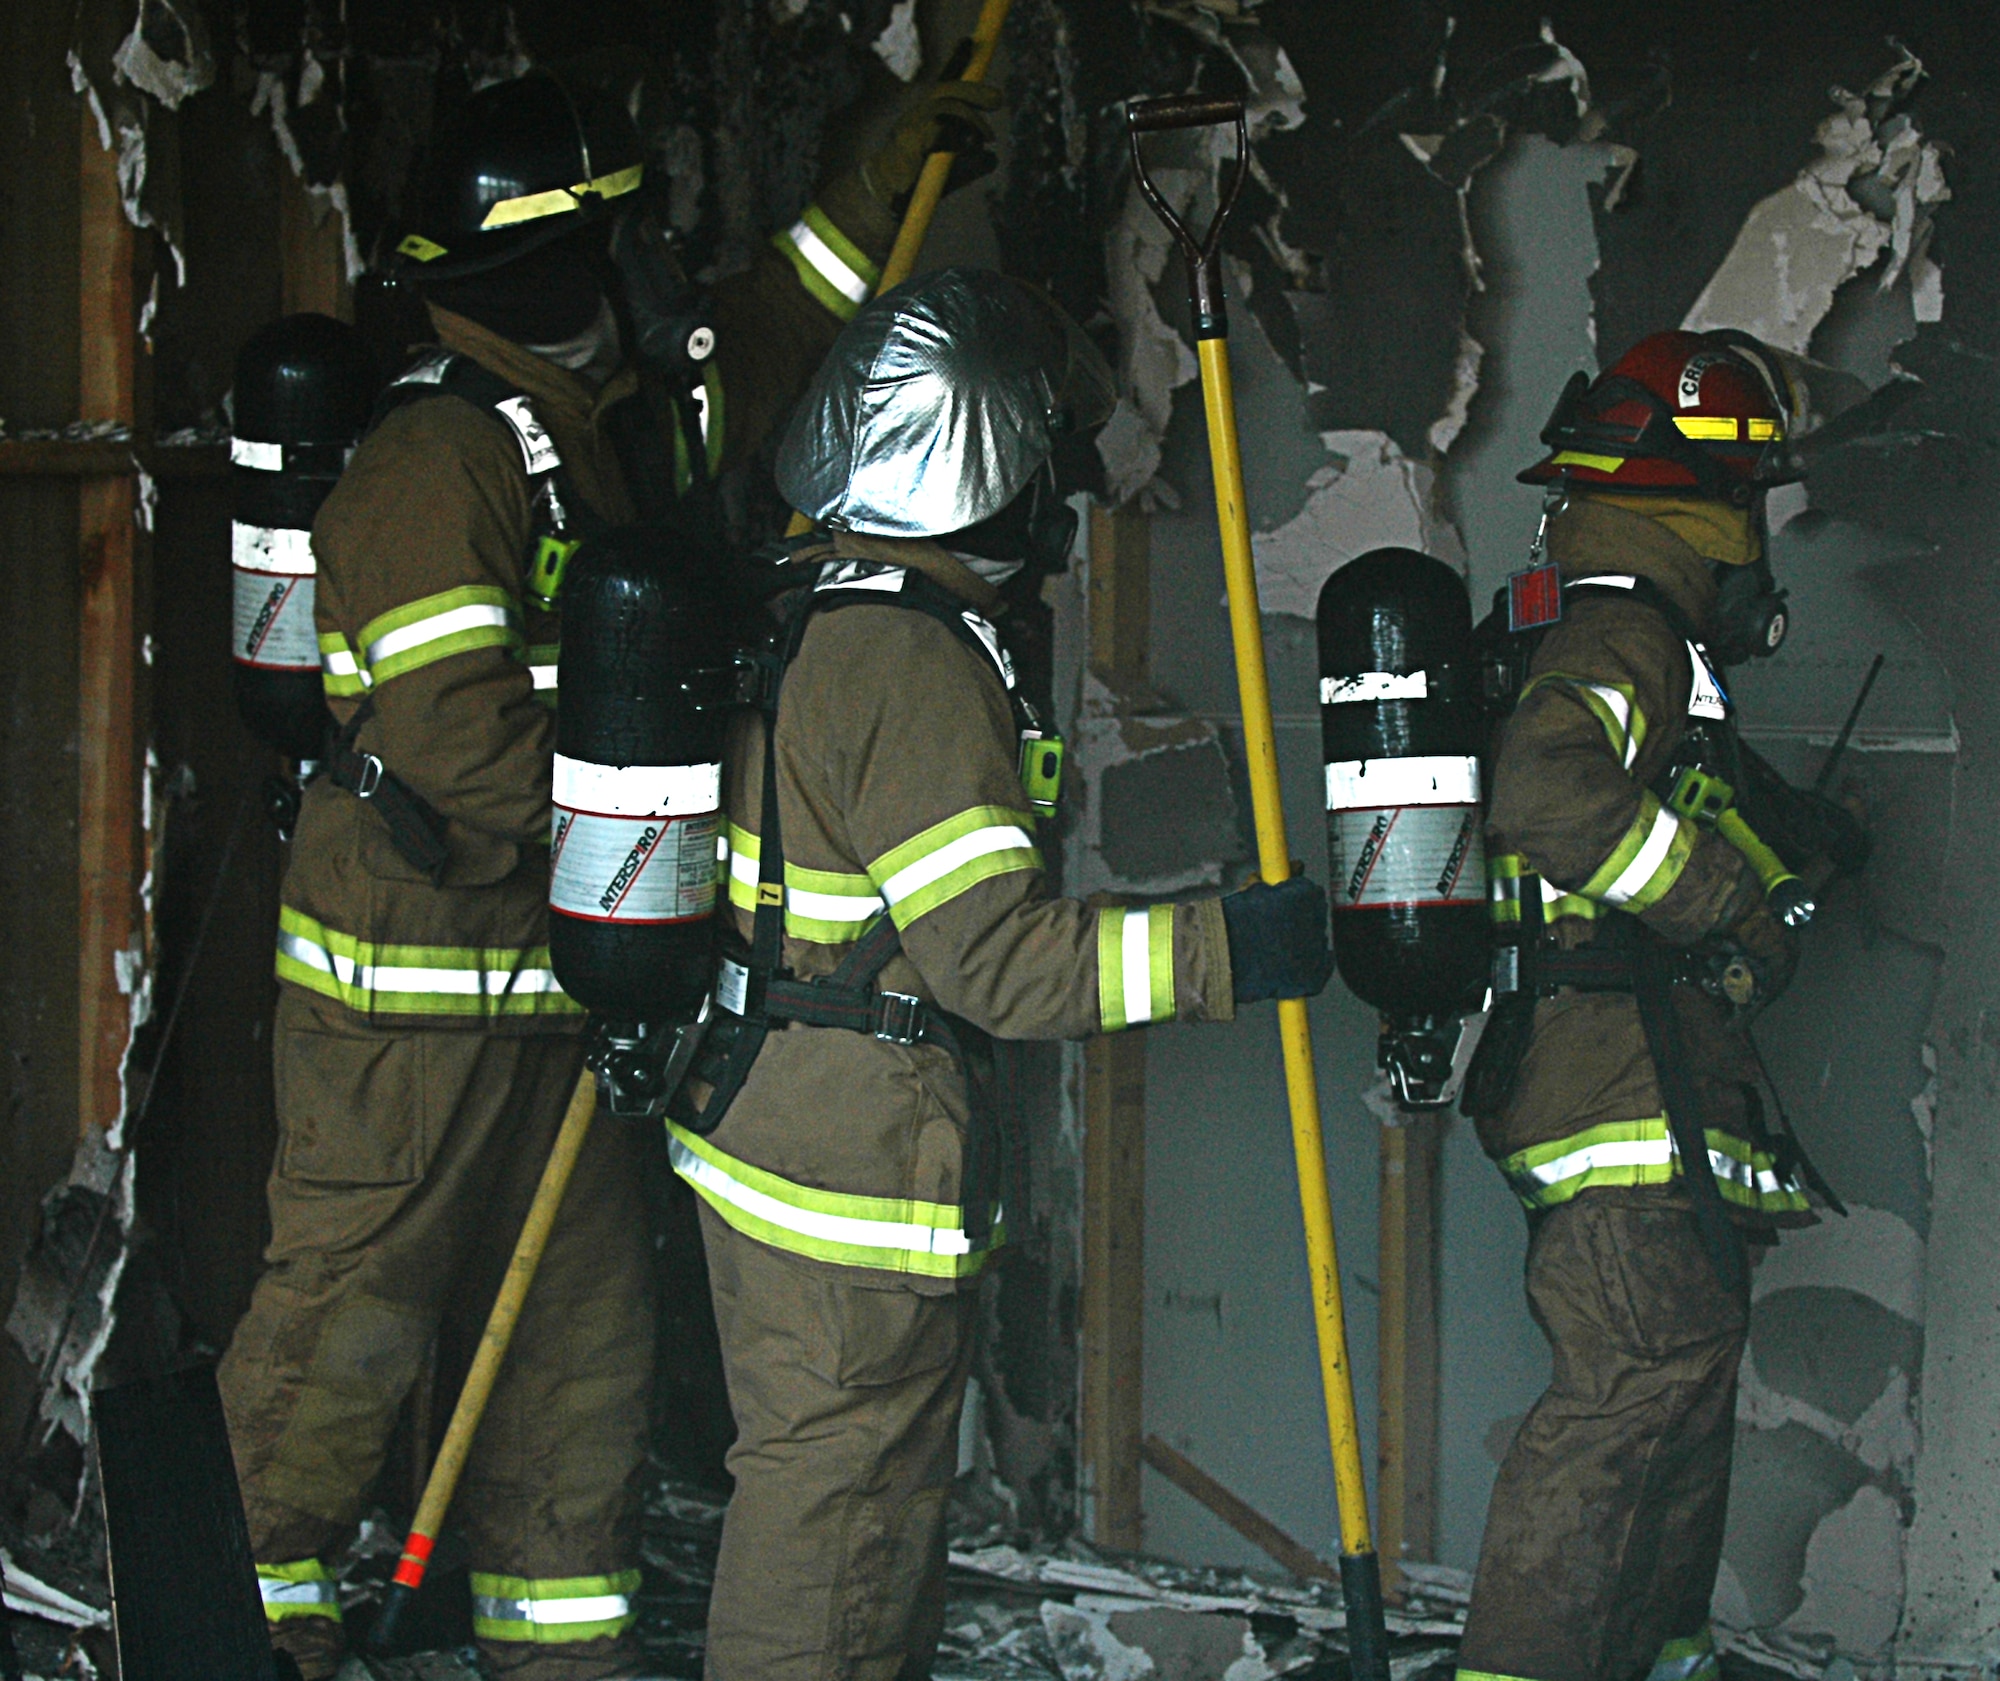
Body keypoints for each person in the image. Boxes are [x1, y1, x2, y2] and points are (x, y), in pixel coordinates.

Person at [218, 61, 1001, 1681]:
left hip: (565, 992)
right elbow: (454, 739)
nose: (654, 270)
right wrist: (690, 844)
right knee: (341, 1346)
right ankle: (231, 1630)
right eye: (625, 240)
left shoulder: (609, 419)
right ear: (549, 270)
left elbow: (775, 332)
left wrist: (877, 181)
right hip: (411, 1007)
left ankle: (554, 1654)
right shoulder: (443, 458)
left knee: (577, 1368)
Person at [662, 265, 1335, 1681]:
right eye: (1033, 467)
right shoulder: (913, 664)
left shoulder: (823, 612)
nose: (1054, 500)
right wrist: (1229, 946)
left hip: (783, 1133)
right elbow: (1000, 967)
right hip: (845, 1175)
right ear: (972, 480)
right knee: (831, 1528)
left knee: (859, 1521)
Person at [1455, 330, 1864, 1681]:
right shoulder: (1625, 627)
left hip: (1635, 1097)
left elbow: (1674, 807)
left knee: (1675, 1405)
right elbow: (1549, 795)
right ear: (1718, 503)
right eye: (1755, 503)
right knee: (1625, 1409)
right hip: (1613, 1095)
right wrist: (1738, 909)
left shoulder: (1634, 637)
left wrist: (1792, 843)